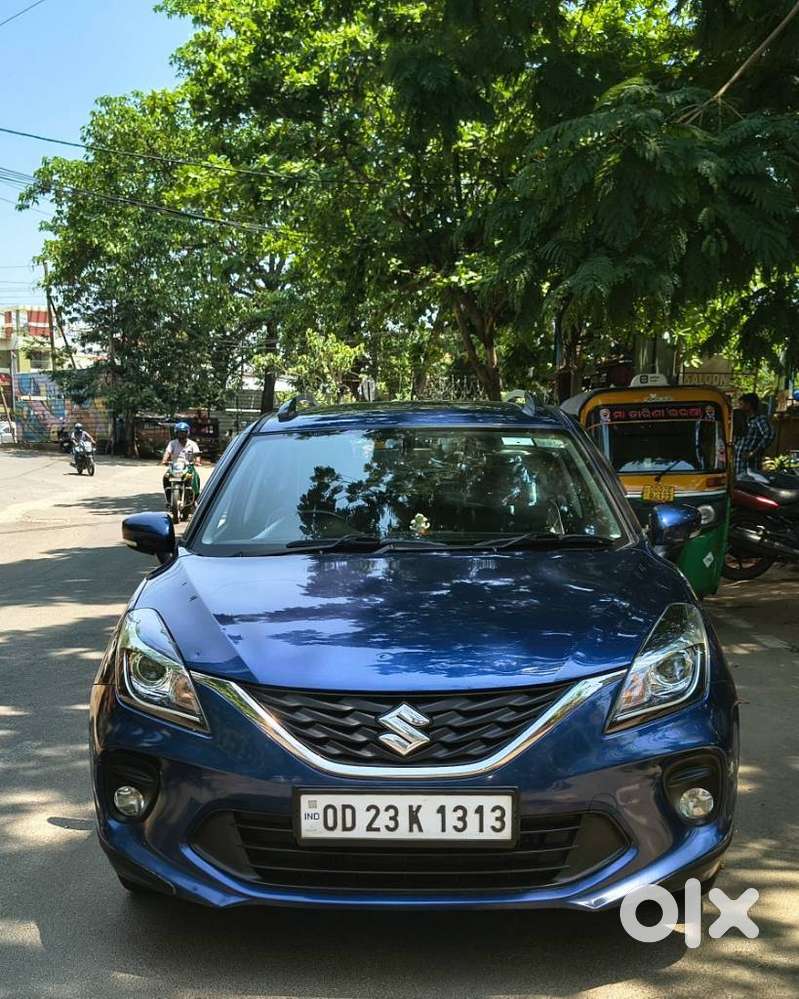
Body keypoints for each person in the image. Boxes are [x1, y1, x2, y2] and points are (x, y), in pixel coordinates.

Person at [161, 421, 201, 509]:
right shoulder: (172, 443)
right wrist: (164, 460)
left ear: (187, 433)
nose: (181, 435)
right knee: (165, 477)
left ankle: (195, 499)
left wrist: (197, 461)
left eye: (183, 433)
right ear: (176, 433)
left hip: (188, 466)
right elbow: (167, 452)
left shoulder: (192, 444)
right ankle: (168, 499)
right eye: (179, 433)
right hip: (175, 466)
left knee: (195, 478)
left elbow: (197, 455)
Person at [734, 392, 775, 477]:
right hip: (738, 465)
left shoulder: (759, 419)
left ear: (749, 405)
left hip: (750, 467)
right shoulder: (744, 420)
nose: (739, 407)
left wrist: (754, 452)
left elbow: (769, 434)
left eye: (741, 404)